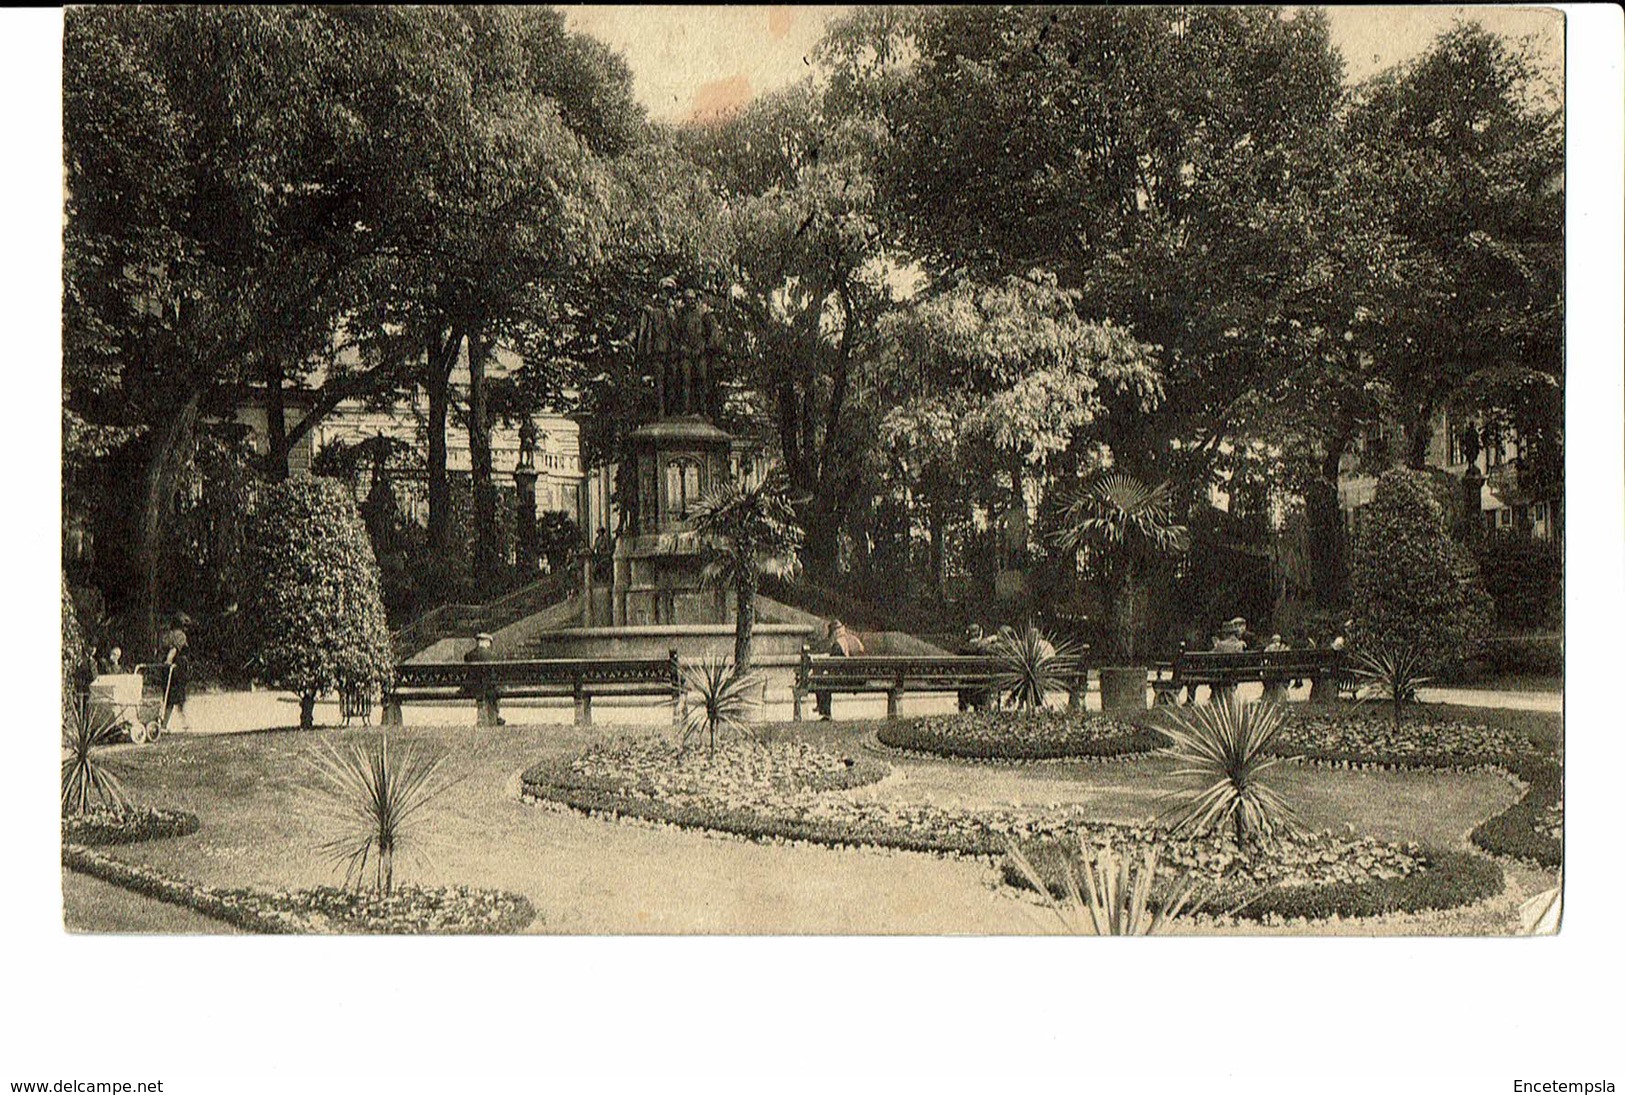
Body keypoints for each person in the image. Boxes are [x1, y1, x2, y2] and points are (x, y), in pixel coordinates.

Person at [814, 619, 863, 720]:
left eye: (831, 634)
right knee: (824, 680)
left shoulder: (838, 645)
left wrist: (824, 667)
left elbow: (833, 665)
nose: (831, 637)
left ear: (835, 632)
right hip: (859, 678)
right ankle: (822, 708)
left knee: (821, 681)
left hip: (847, 680)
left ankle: (825, 713)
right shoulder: (853, 640)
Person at [464, 632, 505, 726]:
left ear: (478, 642)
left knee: (486, 689)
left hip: (473, 688)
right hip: (489, 688)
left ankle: (483, 718)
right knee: (494, 690)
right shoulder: (493, 656)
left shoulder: (469, 656)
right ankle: (494, 717)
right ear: (487, 643)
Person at [957, 623, 995, 712]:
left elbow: (972, 647)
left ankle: (964, 708)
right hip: (981, 685)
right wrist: (988, 640)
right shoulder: (984, 648)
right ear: (979, 634)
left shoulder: (963, 648)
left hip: (966, 686)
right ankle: (983, 708)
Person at [162, 629, 191, 732]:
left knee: (173, 699)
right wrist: (169, 660)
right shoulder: (179, 635)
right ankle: (165, 724)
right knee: (174, 698)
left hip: (173, 670)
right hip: (177, 670)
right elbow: (173, 650)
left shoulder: (168, 635)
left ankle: (182, 723)